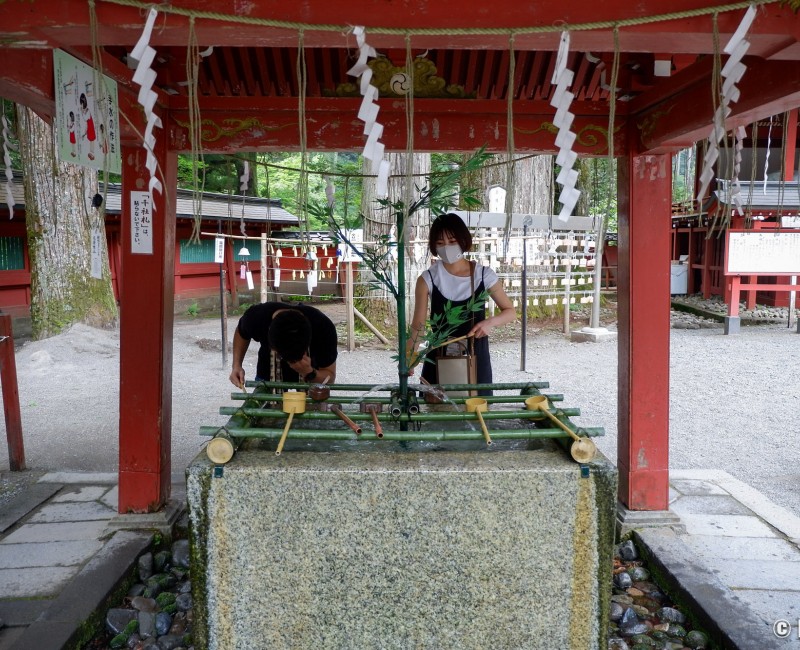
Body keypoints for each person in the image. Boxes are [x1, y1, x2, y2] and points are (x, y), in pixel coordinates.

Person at [408, 213, 515, 391]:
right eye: (440, 243)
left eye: (452, 241)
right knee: (436, 412)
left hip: (475, 357)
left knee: (477, 410)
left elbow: (510, 311)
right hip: (438, 357)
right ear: (434, 246)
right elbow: (417, 326)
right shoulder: (427, 279)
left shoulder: (484, 275)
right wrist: (409, 358)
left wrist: (489, 322)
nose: (447, 248)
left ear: (463, 240)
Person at [229, 302, 337, 388]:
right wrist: (237, 365)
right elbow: (241, 332)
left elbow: (329, 378)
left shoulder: (323, 328)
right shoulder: (257, 317)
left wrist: (309, 372)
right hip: (267, 378)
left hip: (311, 384)